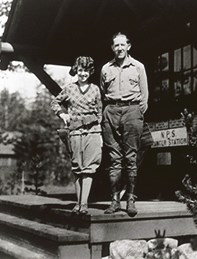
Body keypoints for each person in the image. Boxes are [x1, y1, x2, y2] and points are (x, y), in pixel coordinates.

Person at [101, 32, 149, 216]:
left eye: (122, 45)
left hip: (132, 111)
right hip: (111, 111)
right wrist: (110, 111)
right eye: (116, 45)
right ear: (112, 48)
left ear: (129, 46)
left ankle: (130, 199)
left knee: (131, 158)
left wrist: (134, 112)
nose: (119, 48)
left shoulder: (138, 67)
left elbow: (145, 98)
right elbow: (104, 91)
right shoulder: (106, 68)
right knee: (114, 159)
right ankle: (114, 200)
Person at [51, 56, 102, 214]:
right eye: (80, 70)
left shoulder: (95, 89)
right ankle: (78, 203)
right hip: (75, 131)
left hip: (92, 131)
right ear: (76, 71)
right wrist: (62, 114)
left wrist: (99, 134)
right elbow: (55, 102)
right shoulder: (69, 88)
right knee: (77, 168)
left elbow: (99, 112)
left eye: (86, 71)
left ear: (90, 72)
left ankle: (84, 204)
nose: (83, 74)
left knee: (89, 168)